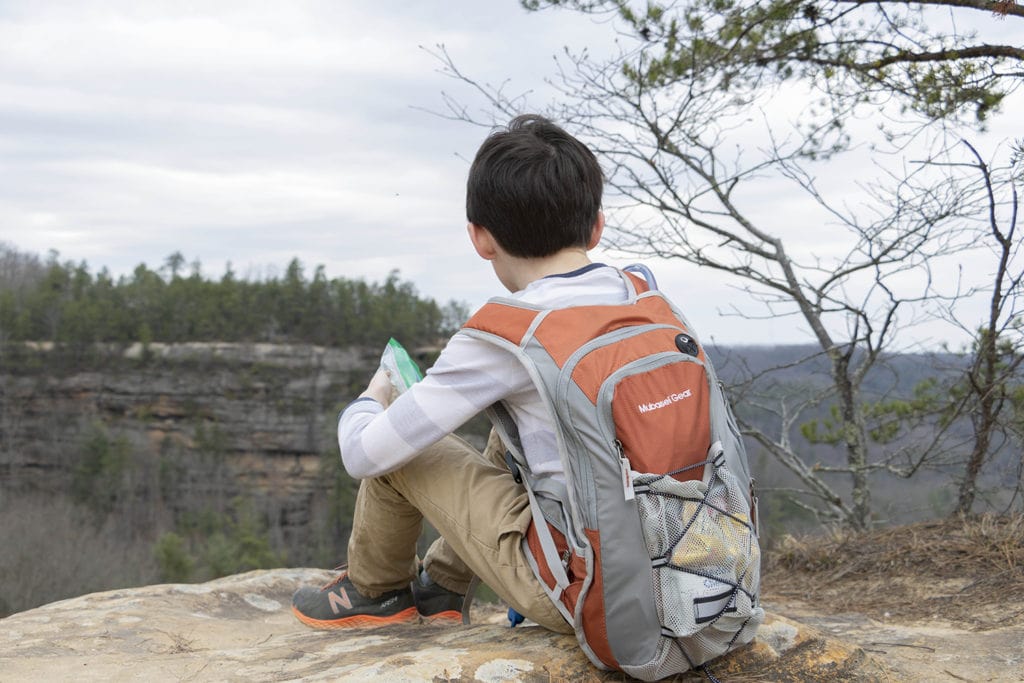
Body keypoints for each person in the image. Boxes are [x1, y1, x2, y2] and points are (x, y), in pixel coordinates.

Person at [291, 114, 625, 633]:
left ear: (480, 238)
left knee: (399, 447)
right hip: (685, 571)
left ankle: (375, 592)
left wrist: (375, 396)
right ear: (597, 226)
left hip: (587, 592)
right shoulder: (647, 302)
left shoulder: (508, 334)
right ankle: (443, 584)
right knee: (515, 425)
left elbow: (364, 454)